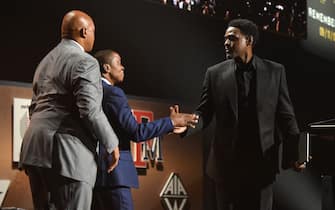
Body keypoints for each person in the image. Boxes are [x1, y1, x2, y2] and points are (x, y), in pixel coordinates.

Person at [181, 18, 305, 210]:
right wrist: (187, 125)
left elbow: (286, 117)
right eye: (225, 38)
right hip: (225, 168)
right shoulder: (214, 74)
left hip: (262, 167)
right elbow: (204, 112)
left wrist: (295, 154)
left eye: (232, 38)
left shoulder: (275, 71)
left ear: (249, 41)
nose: (226, 43)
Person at [19, 10, 120, 209]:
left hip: (34, 152)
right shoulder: (86, 61)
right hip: (68, 156)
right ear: (84, 32)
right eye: (93, 31)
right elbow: (90, 110)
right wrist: (111, 142)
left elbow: (33, 109)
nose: (93, 36)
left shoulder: (44, 63)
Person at [91, 49, 198, 210]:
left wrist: (170, 126)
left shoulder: (91, 93)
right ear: (106, 68)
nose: (123, 67)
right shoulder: (113, 94)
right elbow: (136, 132)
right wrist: (171, 121)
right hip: (114, 176)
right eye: (118, 63)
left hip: (94, 177)